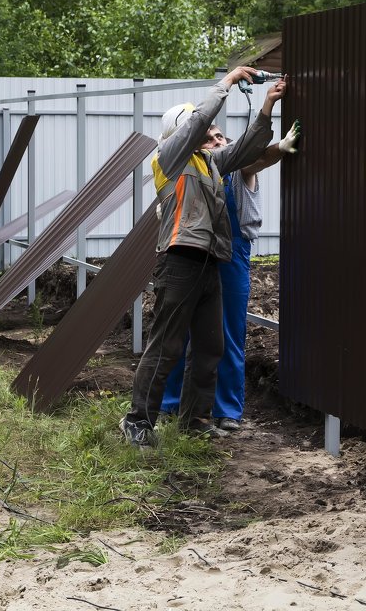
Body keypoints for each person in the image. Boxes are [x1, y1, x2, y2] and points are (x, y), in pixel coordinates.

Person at [119, 67, 286, 447]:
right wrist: (226, 83)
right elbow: (199, 122)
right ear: (182, 133)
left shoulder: (209, 163)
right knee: (167, 344)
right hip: (179, 261)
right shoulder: (169, 158)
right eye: (205, 132)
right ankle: (138, 421)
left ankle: (194, 417)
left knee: (210, 346)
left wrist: (268, 106)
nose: (212, 136)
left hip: (211, 262)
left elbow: (247, 149)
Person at [158, 120, 299, 431]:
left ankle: (225, 411)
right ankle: (169, 405)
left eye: (220, 135)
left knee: (227, 334)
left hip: (232, 254)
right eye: (209, 138)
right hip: (193, 252)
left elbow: (256, 157)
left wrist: (279, 147)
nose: (217, 141)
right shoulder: (189, 168)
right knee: (178, 331)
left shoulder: (237, 169)